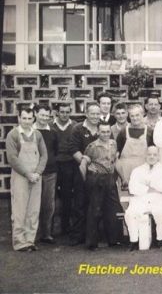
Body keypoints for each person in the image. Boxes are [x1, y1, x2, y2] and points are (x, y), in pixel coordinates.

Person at [6, 107, 48, 251]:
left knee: (33, 209)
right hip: (20, 176)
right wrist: (27, 174)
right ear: (18, 118)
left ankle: (30, 240)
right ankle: (19, 242)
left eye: (30, 119)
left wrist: (37, 172)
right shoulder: (13, 135)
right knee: (19, 210)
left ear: (33, 119)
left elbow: (44, 155)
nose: (27, 121)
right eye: (24, 118)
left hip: (36, 177)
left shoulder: (37, 135)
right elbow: (12, 158)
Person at [81, 122, 123, 250]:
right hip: (96, 178)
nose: (105, 134)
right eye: (102, 132)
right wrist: (87, 181)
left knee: (112, 209)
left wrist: (123, 178)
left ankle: (114, 240)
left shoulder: (113, 144)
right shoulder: (92, 146)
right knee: (95, 210)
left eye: (107, 131)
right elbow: (82, 165)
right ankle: (92, 243)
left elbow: (115, 162)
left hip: (110, 178)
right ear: (98, 132)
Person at [125, 146, 162, 251]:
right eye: (149, 154)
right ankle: (133, 241)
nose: (152, 157)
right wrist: (150, 188)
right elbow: (132, 188)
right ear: (145, 155)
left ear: (158, 156)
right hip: (140, 198)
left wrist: (149, 184)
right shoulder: (137, 170)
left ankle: (160, 239)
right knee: (130, 213)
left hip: (158, 198)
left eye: (154, 154)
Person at [68, 103, 101, 246]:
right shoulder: (77, 129)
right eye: (92, 113)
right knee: (80, 204)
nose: (95, 116)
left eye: (97, 113)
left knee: (96, 204)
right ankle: (77, 235)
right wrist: (86, 165)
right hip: (82, 171)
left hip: (99, 173)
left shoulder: (103, 129)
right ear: (86, 113)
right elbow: (74, 150)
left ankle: (94, 235)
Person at [33, 104, 58, 244]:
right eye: (41, 115)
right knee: (33, 204)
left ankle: (47, 234)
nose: (44, 118)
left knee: (48, 204)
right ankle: (33, 234)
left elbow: (55, 150)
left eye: (47, 116)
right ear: (36, 114)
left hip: (50, 173)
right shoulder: (30, 131)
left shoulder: (53, 132)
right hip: (33, 173)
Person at [115, 104, 154, 193]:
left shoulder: (150, 132)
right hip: (125, 172)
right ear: (129, 116)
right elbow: (116, 156)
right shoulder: (123, 132)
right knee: (125, 200)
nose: (135, 118)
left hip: (143, 171)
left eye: (137, 115)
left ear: (143, 115)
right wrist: (122, 177)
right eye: (132, 116)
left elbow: (154, 155)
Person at [51, 103, 77, 235]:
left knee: (67, 196)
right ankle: (49, 229)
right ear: (57, 112)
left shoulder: (75, 126)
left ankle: (65, 227)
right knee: (51, 196)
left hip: (69, 164)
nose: (65, 114)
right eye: (62, 112)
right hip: (54, 164)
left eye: (67, 112)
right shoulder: (50, 125)